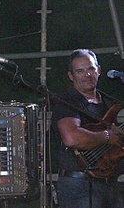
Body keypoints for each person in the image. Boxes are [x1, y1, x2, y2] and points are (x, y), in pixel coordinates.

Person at [51, 49, 124, 208]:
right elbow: (72, 138)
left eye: (91, 69)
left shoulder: (108, 102)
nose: (87, 74)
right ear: (71, 76)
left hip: (109, 182)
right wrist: (107, 136)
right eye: (80, 71)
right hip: (78, 185)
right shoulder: (67, 102)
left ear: (99, 70)